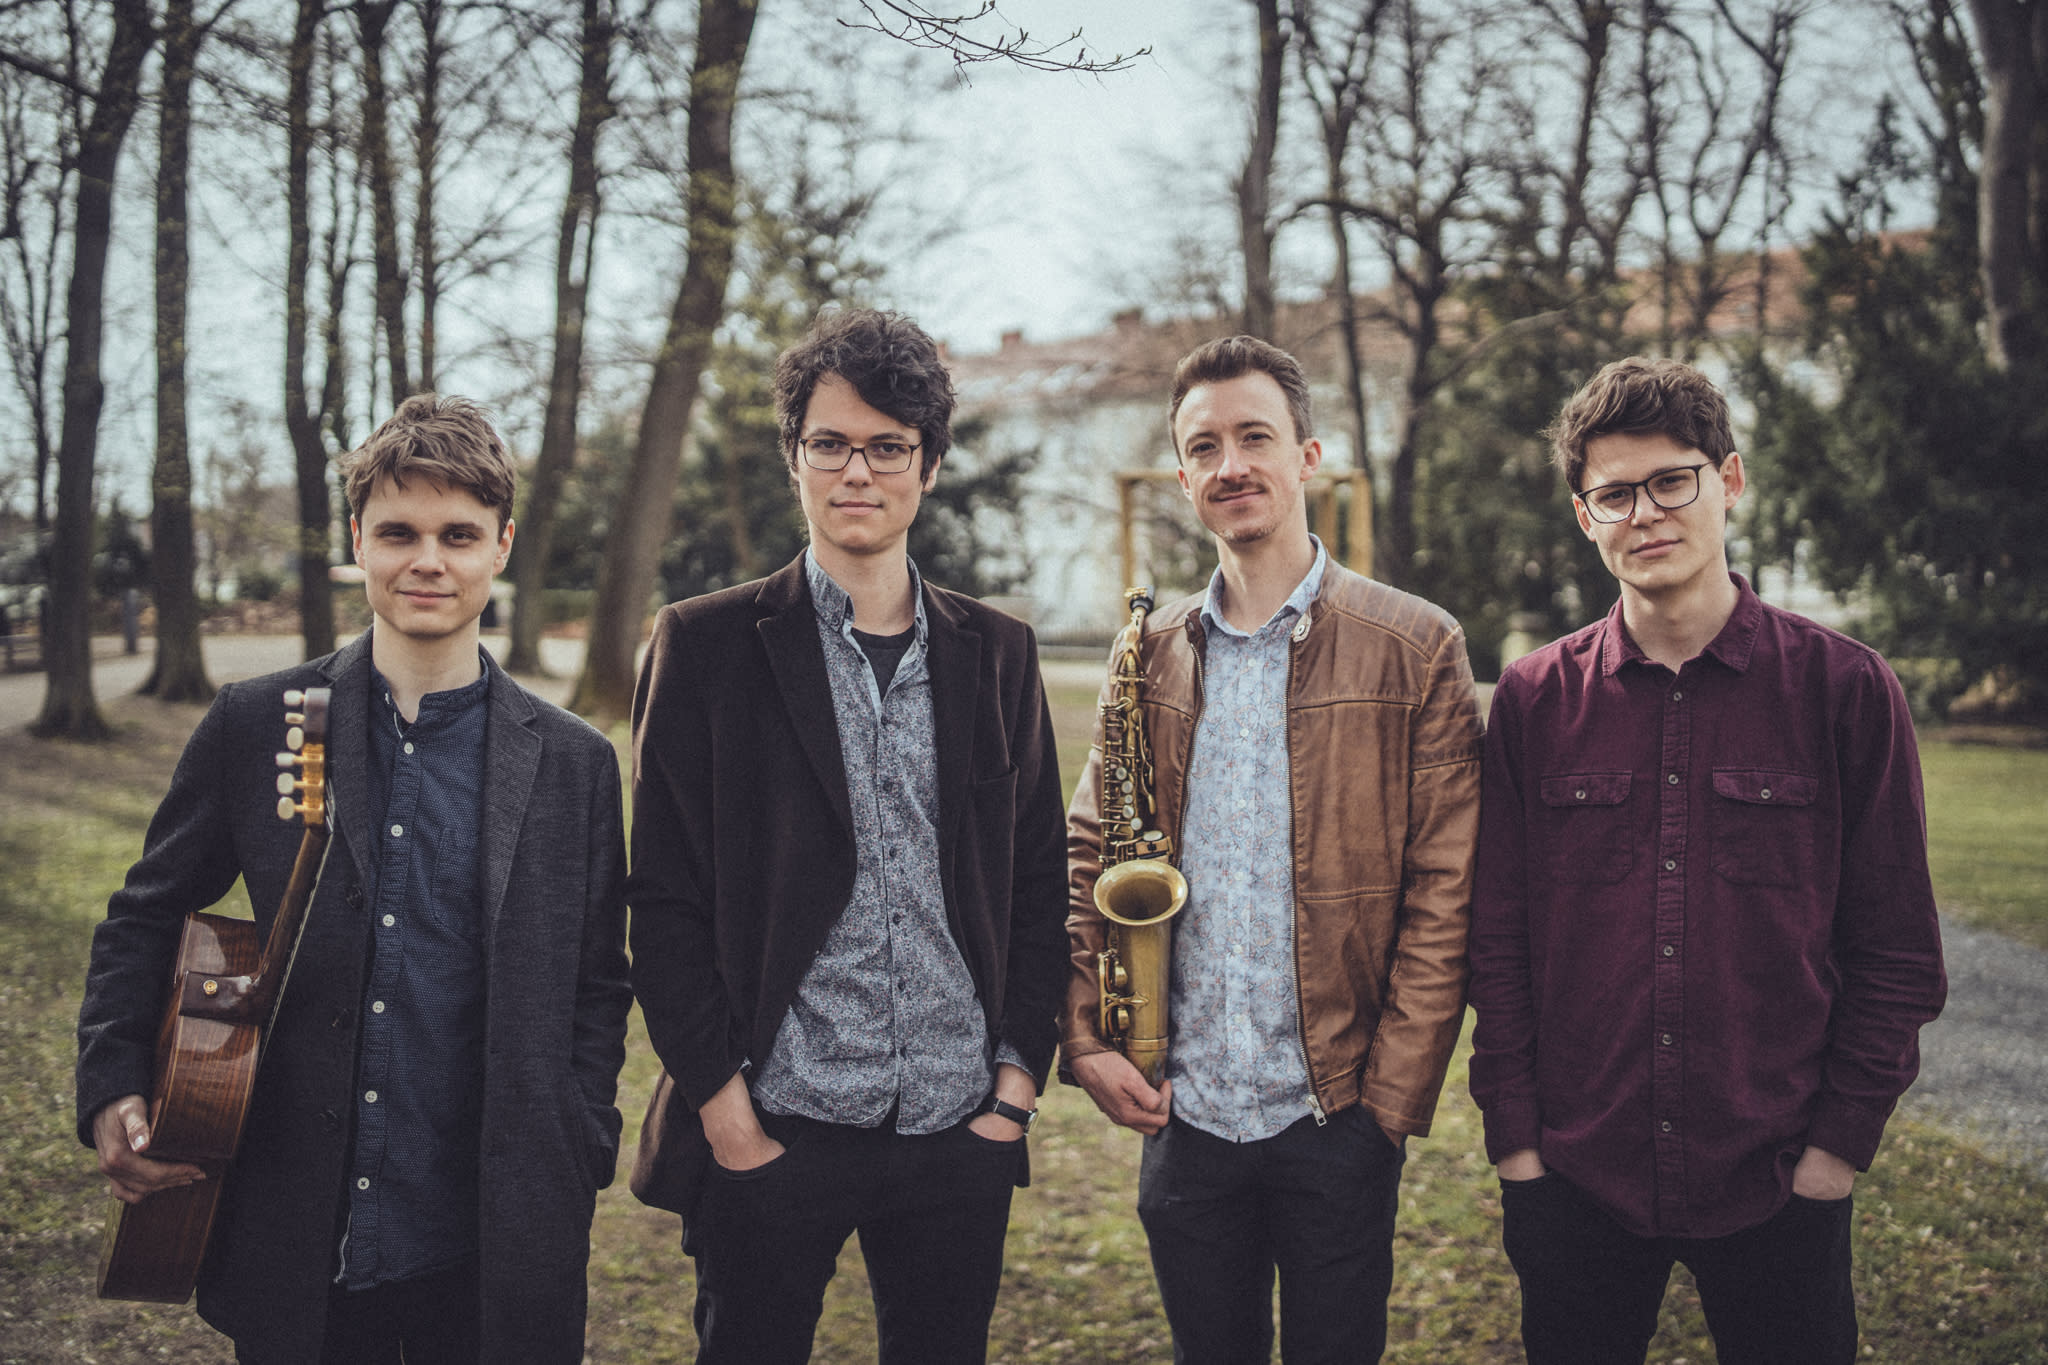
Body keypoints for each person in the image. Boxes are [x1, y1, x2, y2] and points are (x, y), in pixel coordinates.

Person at [76, 394, 633, 1364]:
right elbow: (144, 915)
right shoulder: (255, 721)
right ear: (357, 541)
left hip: (491, 1242)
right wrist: (112, 1083)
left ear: (501, 546)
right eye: (399, 532)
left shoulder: (575, 761)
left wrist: (579, 1139)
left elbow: (596, 981)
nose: (429, 560)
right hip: (296, 1230)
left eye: (459, 535)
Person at [1468, 357, 1949, 1364]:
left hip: (1779, 1174)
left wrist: (1833, 1155)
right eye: (1614, 494)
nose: (1645, 513)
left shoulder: (1846, 691)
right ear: (1583, 516)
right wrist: (1517, 1148)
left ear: (1727, 480)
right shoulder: (1532, 702)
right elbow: (1497, 942)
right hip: (1576, 1178)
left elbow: (1897, 952)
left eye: (1670, 481)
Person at [625, 307, 1069, 1364]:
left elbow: (1037, 877)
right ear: (793, 457)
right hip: (776, 1123)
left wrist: (1012, 1090)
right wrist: (726, 1113)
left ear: (927, 465)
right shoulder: (703, 644)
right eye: (829, 443)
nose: (857, 471)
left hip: (958, 1129)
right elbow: (663, 899)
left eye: (887, 446)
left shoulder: (999, 652)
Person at [1062, 335, 1483, 1363]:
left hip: (1336, 1116)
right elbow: (1087, 852)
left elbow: (1446, 889)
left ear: (1308, 456)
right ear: (1182, 478)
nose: (1231, 465)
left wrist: (1386, 1106)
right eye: (1203, 447)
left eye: (1254, 437)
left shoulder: (1418, 644)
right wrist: (1086, 1039)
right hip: (1185, 1119)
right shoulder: (1146, 650)